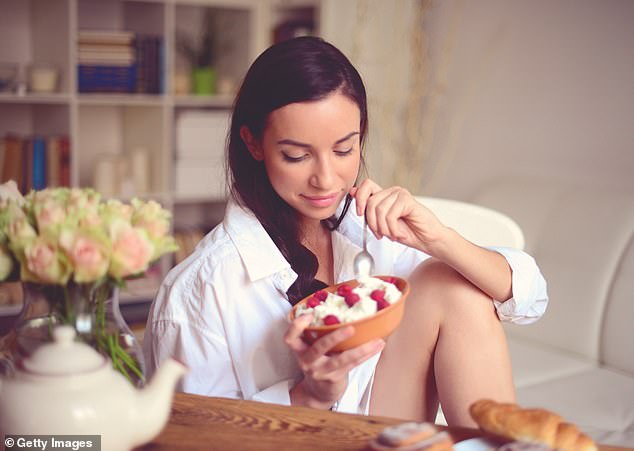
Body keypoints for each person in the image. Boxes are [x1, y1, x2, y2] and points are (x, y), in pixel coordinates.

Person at [144, 36, 548, 427]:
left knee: (454, 285)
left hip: (382, 431)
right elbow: (193, 436)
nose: (325, 179)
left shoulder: (367, 229)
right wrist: (310, 397)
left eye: (344, 150)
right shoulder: (199, 289)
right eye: (296, 155)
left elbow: (528, 298)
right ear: (253, 144)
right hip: (288, 443)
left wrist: (439, 238)